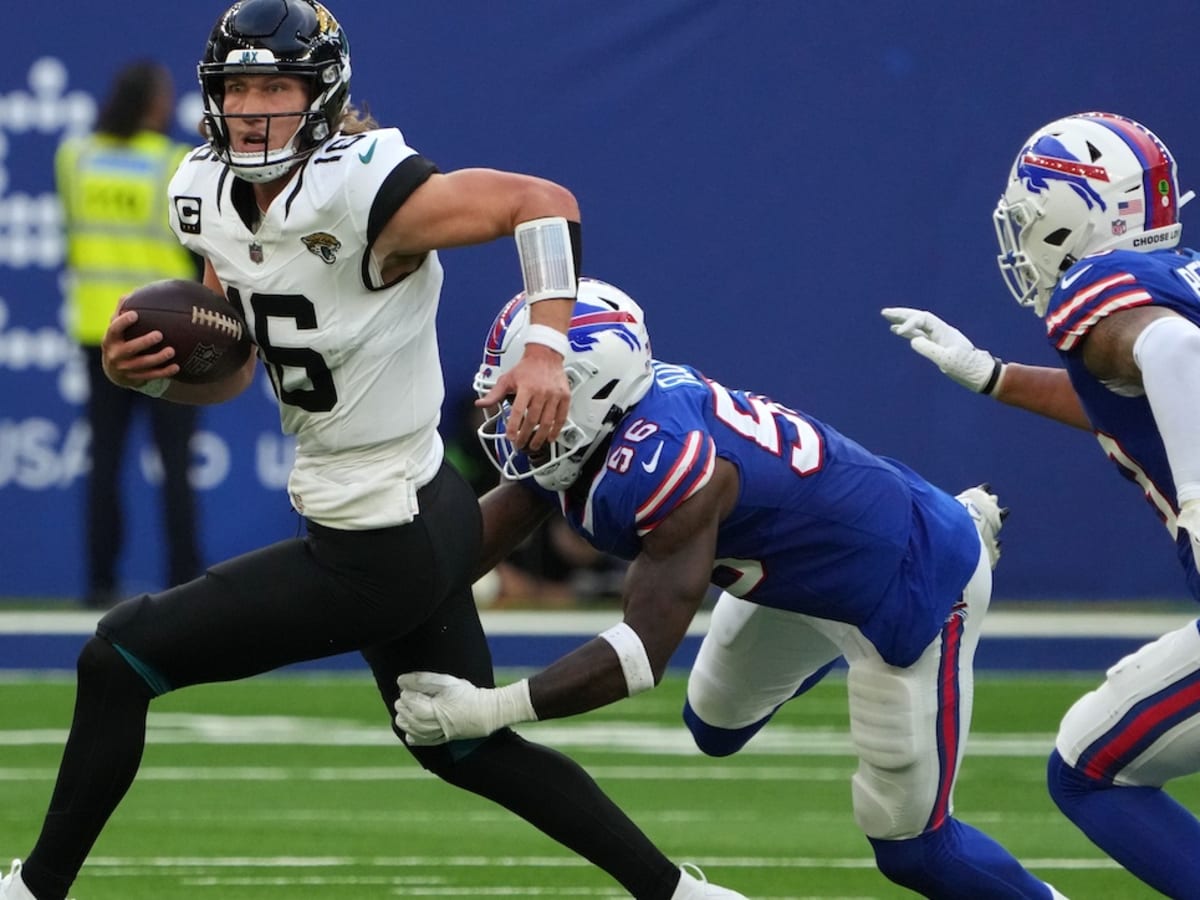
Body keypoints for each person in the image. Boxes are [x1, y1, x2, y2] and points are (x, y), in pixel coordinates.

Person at [0, 3, 743, 899]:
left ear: (322, 93)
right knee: (461, 744)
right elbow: (236, 368)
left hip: (382, 533)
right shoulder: (200, 189)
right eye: (238, 87)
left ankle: (33, 890)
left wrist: (546, 347)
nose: (254, 107)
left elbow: (541, 203)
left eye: (276, 84)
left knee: (117, 656)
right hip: (408, 513)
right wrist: (151, 375)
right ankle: (680, 894)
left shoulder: (361, 183)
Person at [394, 277, 1068, 899]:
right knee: (713, 725)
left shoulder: (668, 461)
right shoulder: (605, 424)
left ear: (590, 387)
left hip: (911, 583)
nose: (515, 413)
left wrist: (486, 710)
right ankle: (859, 579)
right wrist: (375, 588)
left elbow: (638, 656)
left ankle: (963, 528)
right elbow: (481, 533)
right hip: (797, 578)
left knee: (914, 851)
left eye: (532, 395)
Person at [880, 111, 1200, 898]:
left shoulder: (1102, 285)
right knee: (1091, 754)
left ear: (1082, 211)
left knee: (1091, 769)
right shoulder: (1181, 275)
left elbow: (1170, 353)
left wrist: (1197, 496)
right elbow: (1139, 391)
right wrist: (993, 376)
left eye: (1031, 213)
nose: (1022, 234)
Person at [55, 60, 203, 609]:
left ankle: (98, 584)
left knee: (105, 464)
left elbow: (75, 230)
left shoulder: (75, 158)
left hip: (100, 331)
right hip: (168, 338)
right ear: (153, 104)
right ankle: (186, 582)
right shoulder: (173, 163)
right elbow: (194, 248)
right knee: (176, 465)